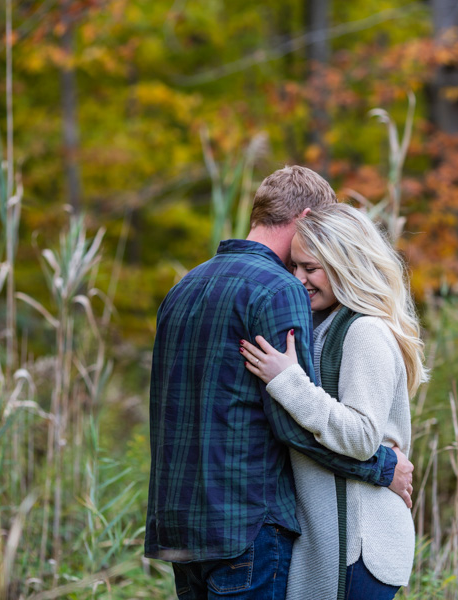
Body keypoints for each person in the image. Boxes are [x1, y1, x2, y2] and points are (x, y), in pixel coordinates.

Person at [144, 166, 414, 599]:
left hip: (179, 524)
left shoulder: (183, 288)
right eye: (301, 262)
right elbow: (288, 427)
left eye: (311, 267)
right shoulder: (277, 289)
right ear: (307, 216)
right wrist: (382, 467)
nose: (299, 275)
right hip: (246, 525)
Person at [239, 203, 427, 600]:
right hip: (331, 545)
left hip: (358, 545)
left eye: (311, 268)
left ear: (346, 264)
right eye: (294, 267)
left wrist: (288, 381)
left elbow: (361, 436)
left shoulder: (364, 332)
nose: (298, 279)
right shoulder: (325, 326)